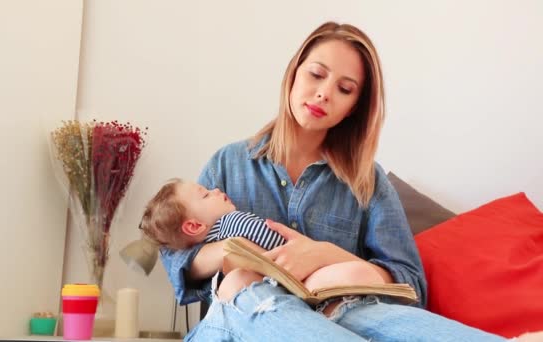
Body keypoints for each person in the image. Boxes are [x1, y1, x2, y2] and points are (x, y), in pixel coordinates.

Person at [159, 22, 522, 341]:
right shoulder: (228, 163)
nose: (324, 93)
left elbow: (410, 284)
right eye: (317, 74)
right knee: (244, 290)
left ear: (354, 108)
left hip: (339, 315)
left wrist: (328, 257)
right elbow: (178, 255)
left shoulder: (368, 182)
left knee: (368, 314)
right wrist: (233, 251)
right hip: (240, 324)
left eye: (345, 89)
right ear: (294, 73)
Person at [140, 178, 385, 293]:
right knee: (357, 274)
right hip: (294, 282)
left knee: (357, 275)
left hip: (290, 282)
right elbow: (175, 259)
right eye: (205, 194)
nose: (216, 189)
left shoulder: (223, 230)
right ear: (193, 227)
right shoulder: (231, 223)